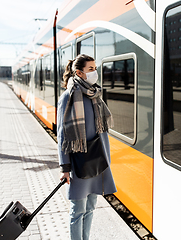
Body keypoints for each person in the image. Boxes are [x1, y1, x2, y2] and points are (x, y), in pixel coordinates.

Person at [57, 54, 117, 240]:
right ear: (79, 73)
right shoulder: (67, 98)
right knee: (78, 210)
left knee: (90, 208)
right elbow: (62, 136)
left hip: (98, 158)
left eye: (95, 68)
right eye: (91, 69)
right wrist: (65, 168)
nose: (95, 72)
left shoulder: (95, 94)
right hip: (79, 162)